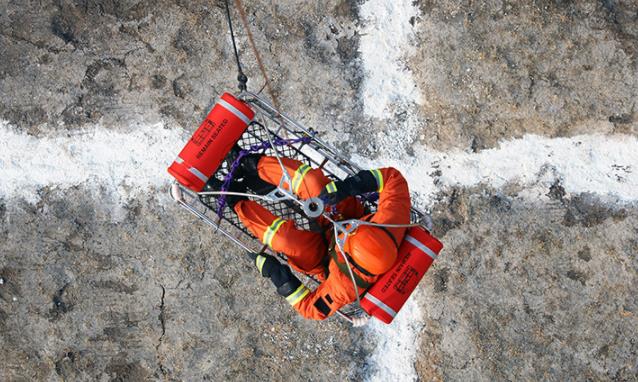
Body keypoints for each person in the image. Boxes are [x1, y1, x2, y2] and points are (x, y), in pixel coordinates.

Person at [206, 151, 411, 320]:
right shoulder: (391, 223)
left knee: (283, 240)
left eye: (349, 236)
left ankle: (235, 200)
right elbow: (393, 179)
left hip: (324, 258)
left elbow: (311, 309)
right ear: (374, 227)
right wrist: (348, 187)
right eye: (355, 229)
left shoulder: (344, 287)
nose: (348, 231)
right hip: (348, 216)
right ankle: (252, 165)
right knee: (311, 181)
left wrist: (276, 273)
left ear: (350, 257)